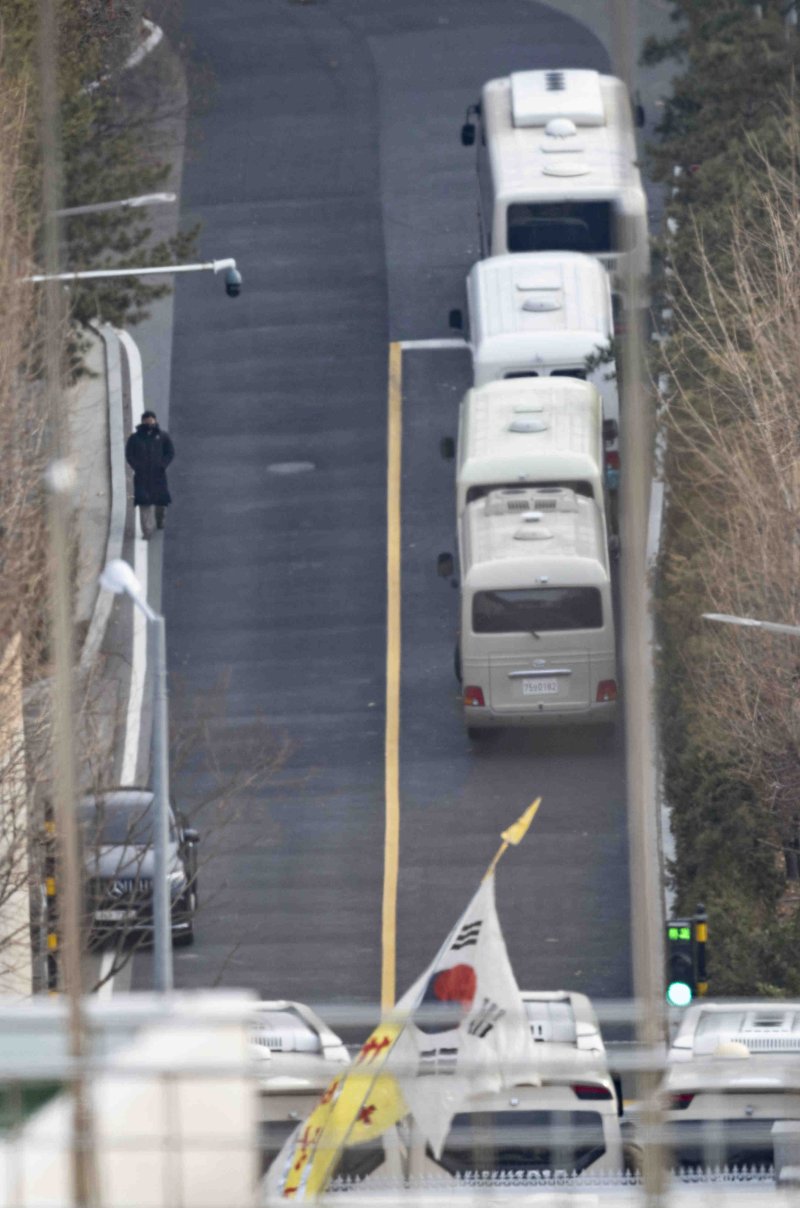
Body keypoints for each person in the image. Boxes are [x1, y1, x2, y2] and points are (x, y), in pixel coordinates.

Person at [125, 410, 175, 540]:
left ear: (155, 420)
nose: (149, 422)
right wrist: (137, 466)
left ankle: (160, 521)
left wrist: (163, 465)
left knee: (161, 501)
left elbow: (170, 452)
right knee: (144, 501)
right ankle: (147, 530)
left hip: (158, 475)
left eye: (151, 420)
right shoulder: (135, 438)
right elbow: (129, 454)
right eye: (147, 420)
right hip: (142, 476)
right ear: (142, 421)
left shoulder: (162, 436)